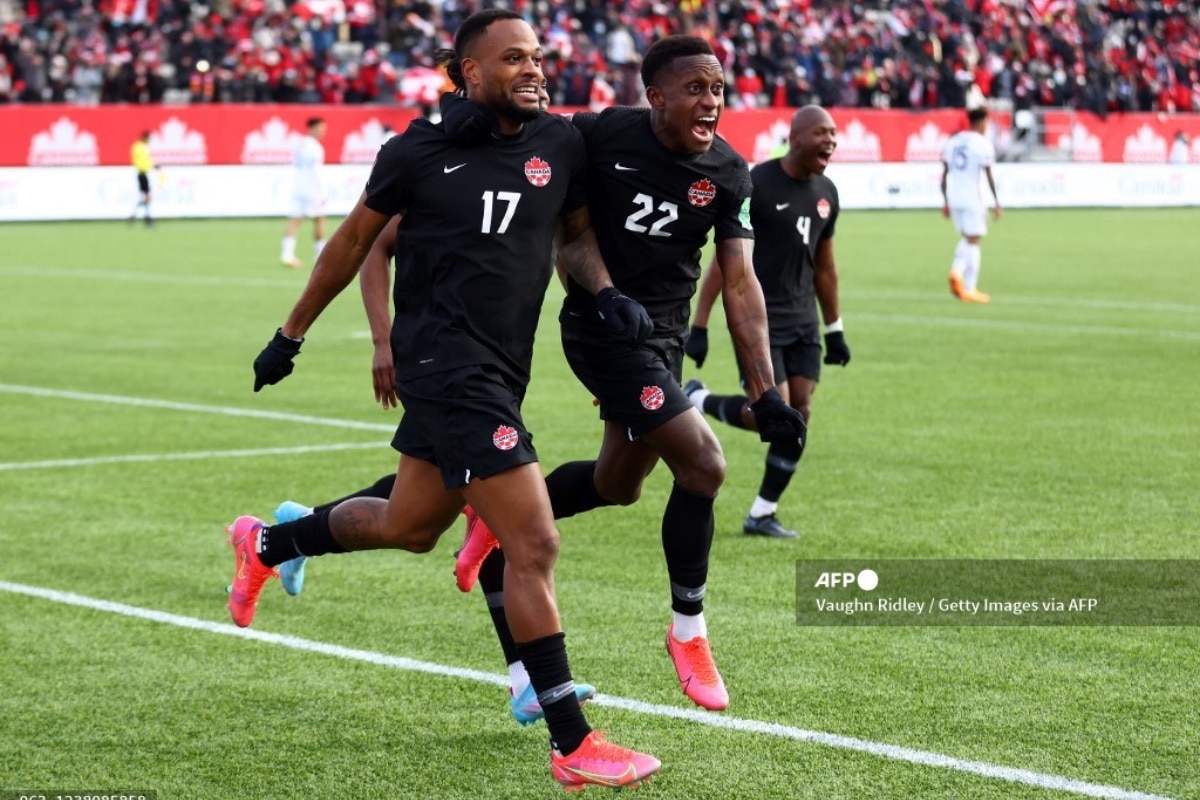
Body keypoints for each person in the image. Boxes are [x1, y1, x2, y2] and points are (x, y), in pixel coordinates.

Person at [230, 9, 660, 790]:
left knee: (412, 523)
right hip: (448, 368)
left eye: (537, 57)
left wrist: (603, 293)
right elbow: (355, 242)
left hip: (501, 367)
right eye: (511, 60)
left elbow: (572, 237)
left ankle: (267, 544)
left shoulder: (561, 142)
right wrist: (291, 334)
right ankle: (571, 741)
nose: (532, 69)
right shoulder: (418, 152)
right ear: (466, 72)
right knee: (533, 545)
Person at [455, 35, 807, 714]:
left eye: (719, 90)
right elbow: (569, 227)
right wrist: (605, 291)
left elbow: (739, 284)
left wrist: (766, 392)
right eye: (696, 89)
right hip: (601, 329)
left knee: (619, 486)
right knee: (704, 466)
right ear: (656, 97)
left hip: (663, 340)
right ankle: (690, 633)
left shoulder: (730, 173)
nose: (711, 102)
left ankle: (496, 520)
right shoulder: (598, 135)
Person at [681, 105, 849, 540]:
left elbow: (825, 267)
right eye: (821, 133)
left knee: (800, 413)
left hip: (804, 322)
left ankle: (762, 513)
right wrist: (699, 325)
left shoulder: (827, 191)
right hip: (758, 320)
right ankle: (698, 402)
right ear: (795, 138)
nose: (830, 141)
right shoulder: (756, 183)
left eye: (834, 134)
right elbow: (726, 261)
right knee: (778, 411)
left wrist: (835, 330)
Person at [941, 106, 1000, 303]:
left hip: (954, 195)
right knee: (974, 240)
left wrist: (945, 200)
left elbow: (944, 173)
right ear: (982, 122)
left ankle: (958, 278)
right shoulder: (983, 144)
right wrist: (997, 201)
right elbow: (988, 174)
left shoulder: (954, 141)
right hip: (972, 196)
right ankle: (968, 285)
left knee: (967, 238)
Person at [280, 117, 328, 270]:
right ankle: (320, 254)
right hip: (311, 188)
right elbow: (316, 171)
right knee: (319, 219)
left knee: (295, 220)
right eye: (320, 128)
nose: (322, 131)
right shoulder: (315, 147)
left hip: (298, 186)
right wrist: (321, 192)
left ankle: (287, 254)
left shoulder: (300, 144)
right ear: (312, 128)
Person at [129, 130, 157, 227]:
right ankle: (147, 219)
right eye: (148, 138)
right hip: (142, 174)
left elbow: (147, 160)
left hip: (145, 174)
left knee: (145, 198)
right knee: (146, 197)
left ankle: (135, 216)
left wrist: (153, 166)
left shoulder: (144, 147)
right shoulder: (138, 147)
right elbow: (139, 161)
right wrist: (148, 166)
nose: (149, 140)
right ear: (145, 137)